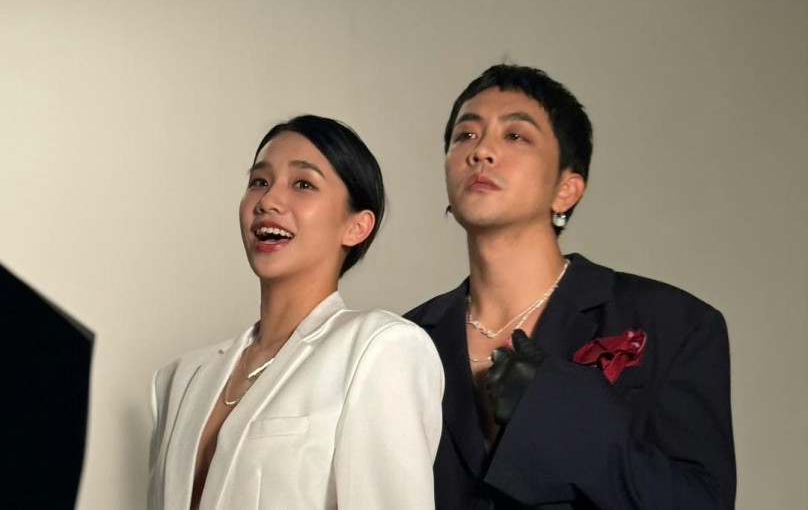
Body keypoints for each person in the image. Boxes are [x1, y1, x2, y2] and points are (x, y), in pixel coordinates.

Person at [404, 65, 735, 509]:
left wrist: (552, 408)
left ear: (566, 189)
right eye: (465, 136)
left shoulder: (673, 323)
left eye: (515, 136)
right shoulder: (404, 340)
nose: (481, 151)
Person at [149, 115, 444, 510]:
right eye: (259, 181)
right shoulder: (182, 377)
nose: (268, 201)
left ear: (357, 227)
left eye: (303, 184)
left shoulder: (378, 349)